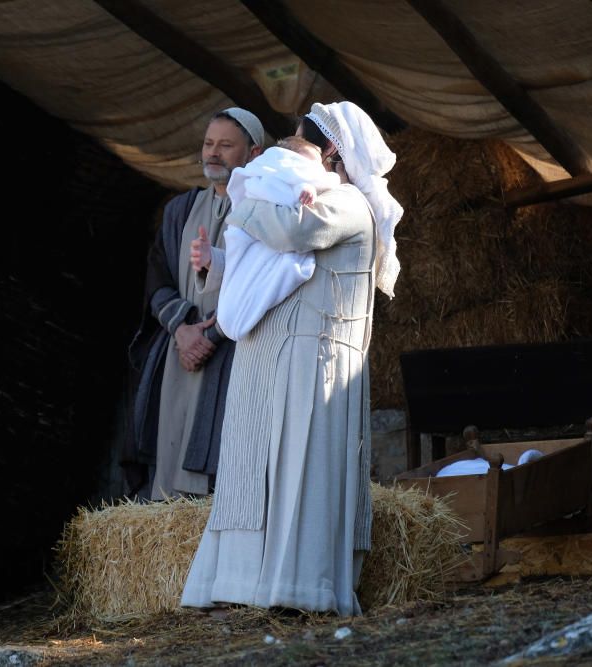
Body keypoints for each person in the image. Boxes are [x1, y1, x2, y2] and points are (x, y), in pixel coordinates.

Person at [181, 101, 404, 615]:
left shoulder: (350, 203)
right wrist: (216, 259)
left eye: (308, 145)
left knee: (304, 471)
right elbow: (264, 259)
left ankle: (302, 587)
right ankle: (242, 582)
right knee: (256, 471)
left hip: (318, 359)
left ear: (332, 151)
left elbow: (292, 233)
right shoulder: (309, 193)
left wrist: (241, 192)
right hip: (279, 353)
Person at [127, 107, 265, 500]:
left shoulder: (265, 211)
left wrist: (213, 334)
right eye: (208, 144)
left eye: (225, 145)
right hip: (181, 349)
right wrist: (184, 329)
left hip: (236, 350)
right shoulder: (180, 210)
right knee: (169, 458)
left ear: (253, 154)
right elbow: (158, 277)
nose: (213, 154)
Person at [199, 135, 341, 341]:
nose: (313, 169)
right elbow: (259, 191)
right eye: (308, 162)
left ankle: (234, 316)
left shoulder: (309, 186)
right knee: (241, 278)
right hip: (248, 237)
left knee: (257, 280)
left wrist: (306, 189)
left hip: (269, 237)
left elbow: (303, 188)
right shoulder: (270, 169)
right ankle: (231, 315)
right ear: (290, 157)